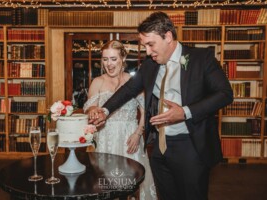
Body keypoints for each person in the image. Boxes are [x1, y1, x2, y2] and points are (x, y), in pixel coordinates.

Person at [88, 12, 233, 200]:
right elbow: (128, 90)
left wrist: (185, 112)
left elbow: (225, 94)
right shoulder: (150, 65)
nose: (148, 52)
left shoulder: (201, 58)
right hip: (159, 149)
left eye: (151, 44)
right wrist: (105, 110)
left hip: (191, 146)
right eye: (145, 46)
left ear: (168, 37)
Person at [83, 40, 157, 200]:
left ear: (123, 58)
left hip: (130, 140)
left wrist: (138, 134)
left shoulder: (134, 82)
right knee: (105, 184)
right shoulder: (98, 82)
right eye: (105, 59)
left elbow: (146, 111)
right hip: (105, 139)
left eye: (113, 59)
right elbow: (90, 108)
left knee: (133, 183)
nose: (108, 64)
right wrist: (93, 110)